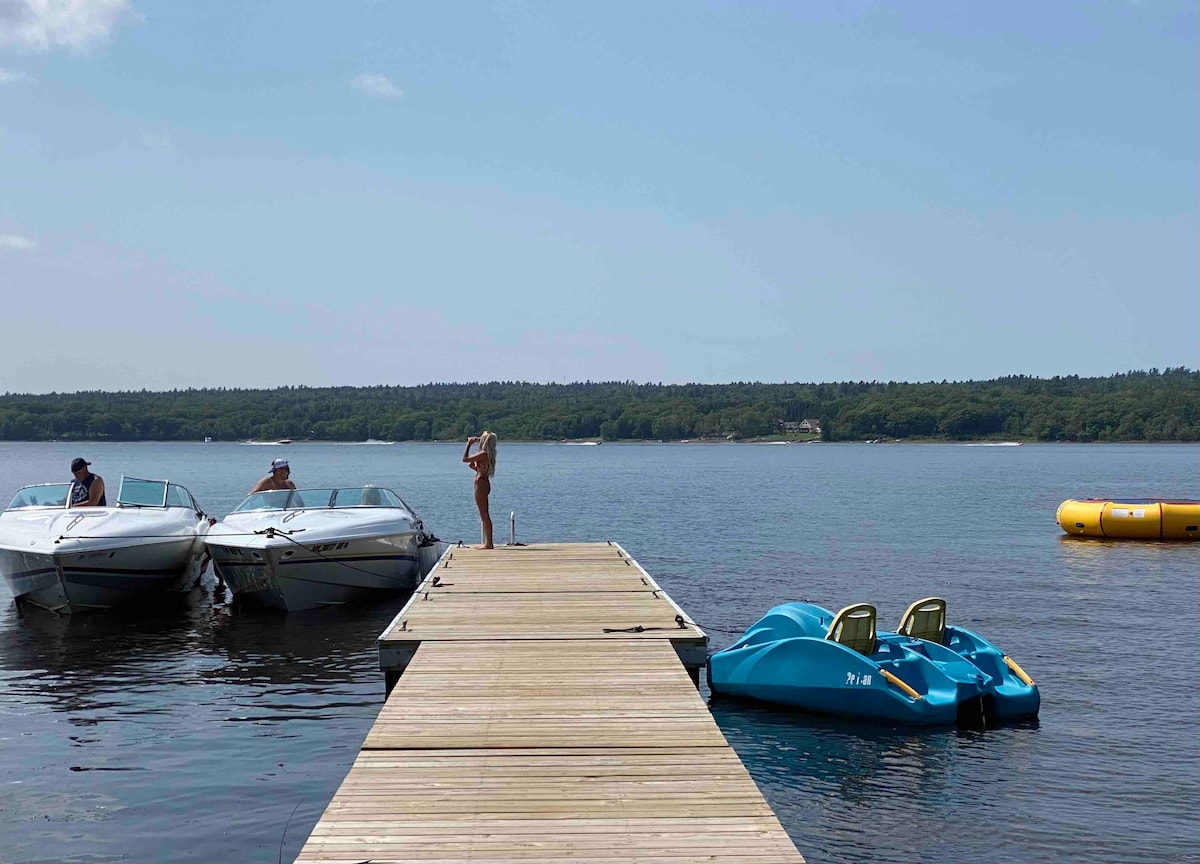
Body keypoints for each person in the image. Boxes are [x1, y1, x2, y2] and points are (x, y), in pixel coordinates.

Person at [462, 431, 497, 549]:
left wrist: (469, 444)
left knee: (484, 514)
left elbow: (465, 459)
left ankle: (489, 543)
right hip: (485, 482)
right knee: (485, 513)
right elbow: (473, 465)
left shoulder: (483, 454)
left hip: (480, 483)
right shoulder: (489, 454)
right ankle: (488, 542)